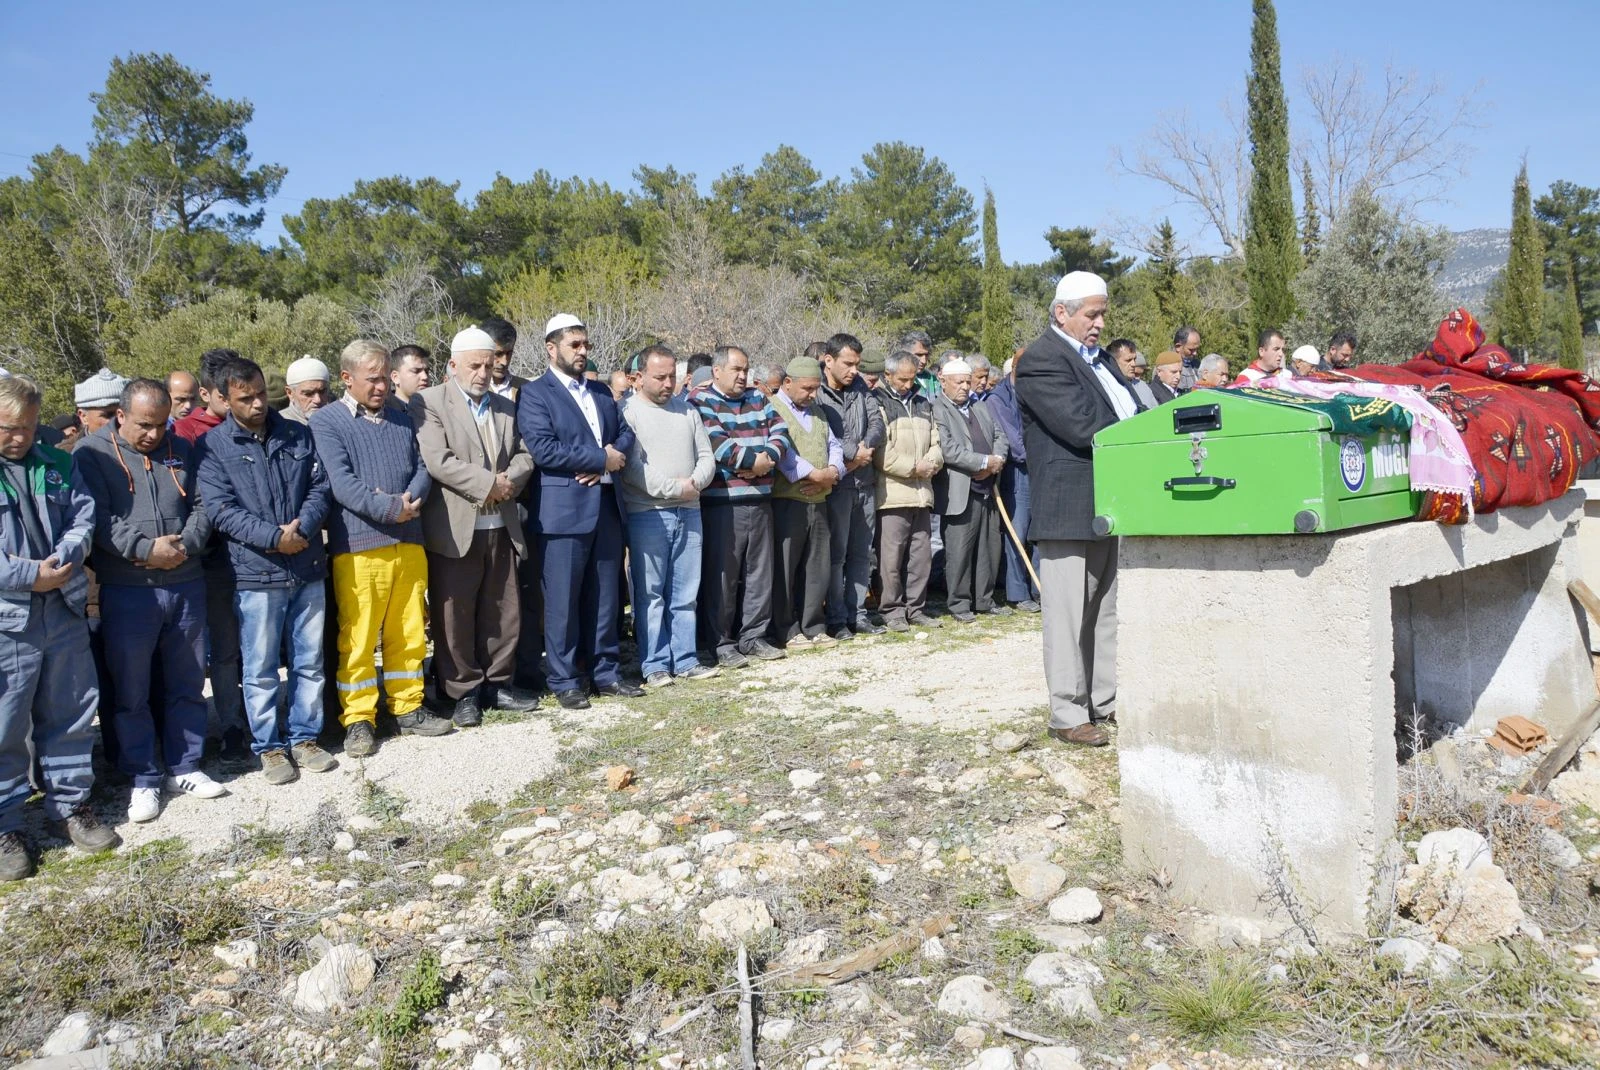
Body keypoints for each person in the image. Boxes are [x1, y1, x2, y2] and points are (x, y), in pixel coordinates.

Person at [75, 378, 226, 821]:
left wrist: (185, 545)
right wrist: (145, 550)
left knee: (187, 680)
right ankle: (143, 775)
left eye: (161, 425)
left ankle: (186, 764)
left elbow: (204, 503)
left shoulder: (182, 445)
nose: (154, 435)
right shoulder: (92, 455)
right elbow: (97, 519)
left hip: (185, 581)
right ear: (120, 416)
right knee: (131, 689)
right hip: (127, 589)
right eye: (144, 425)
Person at [197, 357, 338, 785]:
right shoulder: (213, 447)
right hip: (255, 574)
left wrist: (304, 528)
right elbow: (221, 510)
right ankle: (269, 747)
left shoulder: (297, 434)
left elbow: (320, 487)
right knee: (258, 667)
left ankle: (304, 738)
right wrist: (273, 538)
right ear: (223, 399)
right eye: (246, 398)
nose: (258, 404)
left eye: (261, 393)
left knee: (309, 661)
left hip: (306, 565)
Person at [0, 375, 119, 879]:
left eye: (27, 427)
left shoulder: (57, 462)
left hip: (63, 609)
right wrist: (32, 575)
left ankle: (70, 806)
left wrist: (64, 558)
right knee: (5, 722)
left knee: (71, 709)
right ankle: (7, 826)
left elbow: (83, 516)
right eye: (8, 428)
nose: (20, 438)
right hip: (9, 618)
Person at [1015, 271, 1140, 748]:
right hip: (1069, 506)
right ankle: (1067, 712)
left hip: (1108, 503)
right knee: (1068, 616)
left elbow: (1129, 408)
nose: (1101, 322)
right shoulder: (1042, 360)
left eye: (1103, 312)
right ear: (1061, 312)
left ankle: (1103, 700)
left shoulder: (1102, 359)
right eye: (1092, 313)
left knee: (1105, 609)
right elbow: (1083, 424)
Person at [311, 339, 453, 755]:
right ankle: (358, 719)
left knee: (408, 631)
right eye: (371, 380)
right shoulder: (328, 421)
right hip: (358, 546)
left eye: (383, 378)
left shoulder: (403, 415)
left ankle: (408, 708)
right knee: (357, 637)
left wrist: (410, 501)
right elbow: (341, 482)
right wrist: (392, 508)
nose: (380, 387)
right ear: (346, 378)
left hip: (409, 541)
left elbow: (423, 466)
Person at [413, 327, 538, 727]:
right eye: (474, 365)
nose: (484, 373)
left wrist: (508, 482)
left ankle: (497, 684)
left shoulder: (505, 407)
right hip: (455, 526)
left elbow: (525, 454)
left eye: (489, 364)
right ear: (452, 365)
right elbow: (438, 460)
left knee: (502, 609)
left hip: (500, 523)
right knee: (455, 614)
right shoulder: (429, 402)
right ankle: (462, 691)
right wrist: (489, 484)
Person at [517, 314, 644, 710]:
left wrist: (608, 458)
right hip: (562, 512)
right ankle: (565, 679)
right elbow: (543, 448)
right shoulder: (536, 393)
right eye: (574, 345)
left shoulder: (602, 392)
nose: (583, 351)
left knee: (607, 597)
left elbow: (625, 434)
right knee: (562, 601)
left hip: (605, 507)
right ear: (551, 349)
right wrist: (598, 459)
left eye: (585, 344)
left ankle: (605, 673)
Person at [620, 345, 718, 687]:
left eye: (672, 377)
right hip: (648, 514)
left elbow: (707, 456)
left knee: (685, 592)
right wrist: (675, 489)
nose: (667, 383)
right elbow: (632, 469)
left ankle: (686, 659)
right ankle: (655, 664)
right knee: (650, 595)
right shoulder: (627, 412)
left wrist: (694, 483)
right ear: (640, 377)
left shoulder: (687, 410)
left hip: (690, 512)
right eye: (660, 377)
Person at [691, 344, 791, 667]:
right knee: (724, 575)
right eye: (736, 369)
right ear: (717, 370)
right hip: (723, 502)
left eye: (746, 369)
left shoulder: (759, 397)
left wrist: (767, 460)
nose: (743, 375)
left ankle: (753, 637)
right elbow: (718, 444)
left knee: (760, 572)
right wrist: (754, 461)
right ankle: (722, 643)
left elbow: (781, 431)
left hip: (760, 499)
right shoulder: (700, 401)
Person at [172, 350, 249, 761]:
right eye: (228, 392)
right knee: (224, 648)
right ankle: (231, 723)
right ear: (211, 392)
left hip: (259, 554)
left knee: (258, 647)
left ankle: (262, 718)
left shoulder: (259, 425)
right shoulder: (188, 433)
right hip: (215, 557)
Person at [769, 355, 845, 649]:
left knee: (817, 566)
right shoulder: (773, 408)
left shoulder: (819, 412)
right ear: (788, 383)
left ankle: (814, 625)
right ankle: (787, 630)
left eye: (816, 388)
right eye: (807, 389)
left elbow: (833, 445)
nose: (813, 394)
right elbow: (783, 451)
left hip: (820, 499)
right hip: (788, 501)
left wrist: (832, 473)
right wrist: (814, 474)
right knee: (786, 568)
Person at [817, 333, 887, 641]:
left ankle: (857, 613)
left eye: (857, 364)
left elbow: (877, 425)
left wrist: (865, 449)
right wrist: (850, 454)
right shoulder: (816, 392)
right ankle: (836, 617)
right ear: (828, 361)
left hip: (864, 482)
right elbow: (823, 430)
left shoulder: (860, 388)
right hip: (838, 485)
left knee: (861, 553)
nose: (854, 371)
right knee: (837, 555)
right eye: (848, 364)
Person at [932, 358, 1009, 623]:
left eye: (968, 381)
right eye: (959, 382)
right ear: (943, 381)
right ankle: (959, 604)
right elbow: (948, 449)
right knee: (959, 551)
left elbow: (1000, 436)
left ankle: (984, 600)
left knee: (989, 547)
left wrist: (995, 461)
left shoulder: (980, 405)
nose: (965, 387)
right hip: (960, 490)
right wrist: (983, 462)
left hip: (988, 486)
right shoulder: (938, 409)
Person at [873, 350, 943, 632]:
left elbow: (936, 442)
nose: (907, 384)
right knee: (890, 559)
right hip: (892, 496)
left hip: (921, 494)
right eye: (902, 379)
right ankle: (892, 610)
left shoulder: (923, 402)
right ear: (887, 375)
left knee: (921, 557)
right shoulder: (878, 403)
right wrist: (915, 467)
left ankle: (916, 608)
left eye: (912, 378)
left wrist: (932, 463)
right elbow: (881, 454)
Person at [987, 355, 1039, 612]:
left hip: (1041, 470)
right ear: (1016, 369)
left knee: (1040, 532)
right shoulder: (999, 398)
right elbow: (1014, 442)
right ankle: (1018, 594)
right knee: (1016, 533)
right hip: (1017, 472)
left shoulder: (1037, 391)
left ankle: (1041, 588)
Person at [480, 317, 528, 402]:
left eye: (509, 353)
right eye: (498, 354)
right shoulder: (473, 390)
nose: (504, 362)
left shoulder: (527, 388)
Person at [74, 368, 126, 440]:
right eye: (109, 415)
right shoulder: (71, 450)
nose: (120, 420)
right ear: (84, 417)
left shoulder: (143, 445)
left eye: (125, 414)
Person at [1107, 340, 1158, 410]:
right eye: (1128, 360)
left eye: (1134, 359)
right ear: (1113, 362)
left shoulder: (1143, 387)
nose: (1133, 364)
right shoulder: (1107, 388)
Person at [283, 356, 332, 425]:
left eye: (322, 392)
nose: (318, 400)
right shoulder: (279, 426)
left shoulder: (336, 421)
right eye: (308, 394)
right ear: (290, 393)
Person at [389, 345, 432, 411]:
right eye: (416, 371)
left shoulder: (437, 410)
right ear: (395, 377)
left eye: (426, 371)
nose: (425, 377)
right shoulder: (385, 414)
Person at [899, 330, 938, 397]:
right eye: (919, 355)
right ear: (904, 353)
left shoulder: (932, 378)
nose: (924, 361)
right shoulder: (896, 379)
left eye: (926, 355)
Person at [1173, 326, 1202, 393]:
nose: (1195, 353)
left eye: (1197, 349)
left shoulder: (1198, 364)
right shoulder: (1166, 367)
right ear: (1178, 347)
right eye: (1191, 350)